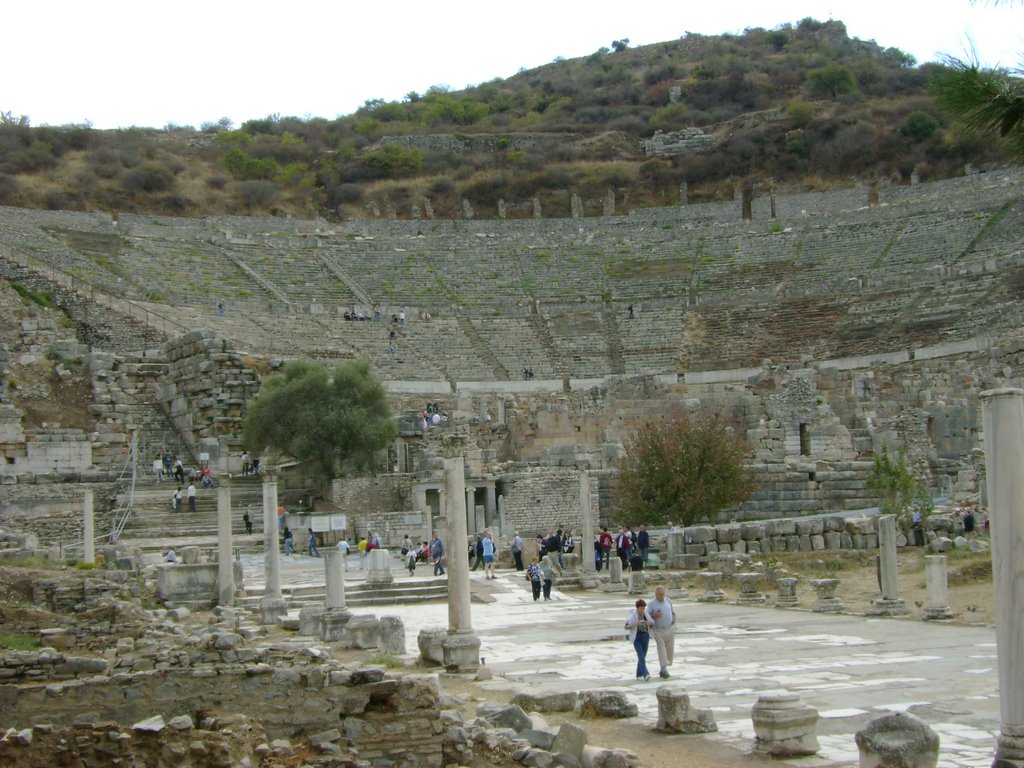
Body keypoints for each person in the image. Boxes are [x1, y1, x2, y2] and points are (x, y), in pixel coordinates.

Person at [648, 585, 676, 679]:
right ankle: (664, 669)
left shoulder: (668, 601)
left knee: (670, 648)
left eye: (663, 594)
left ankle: (664, 667)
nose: (661, 596)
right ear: (656, 594)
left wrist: (674, 623)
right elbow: (647, 617)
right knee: (661, 649)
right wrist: (654, 615)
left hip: (669, 628)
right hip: (658, 629)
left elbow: (673, 612)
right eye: (659, 594)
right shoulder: (651, 604)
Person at [625, 598, 653, 681]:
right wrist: (635, 624)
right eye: (641, 608)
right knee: (641, 656)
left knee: (643, 656)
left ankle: (638, 673)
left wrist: (649, 624)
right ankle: (646, 674)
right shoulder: (633, 616)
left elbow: (652, 624)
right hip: (637, 638)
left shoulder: (646, 615)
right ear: (637, 608)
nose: (642, 610)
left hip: (645, 637)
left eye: (644, 608)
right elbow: (626, 626)